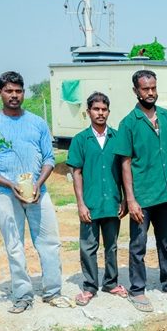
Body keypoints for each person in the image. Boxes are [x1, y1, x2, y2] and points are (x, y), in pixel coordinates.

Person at [0, 71, 70, 313]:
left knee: (49, 242)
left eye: (18, 91)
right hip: (6, 195)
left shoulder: (37, 122)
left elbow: (49, 158)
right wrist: (9, 184)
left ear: (23, 93)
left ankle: (52, 292)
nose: (14, 95)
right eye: (9, 91)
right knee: (14, 244)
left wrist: (37, 183)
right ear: (0, 93)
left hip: (39, 192)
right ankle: (23, 295)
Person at [113, 69, 167, 313]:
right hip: (142, 196)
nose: (151, 92)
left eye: (153, 88)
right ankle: (137, 289)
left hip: (165, 192)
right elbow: (124, 163)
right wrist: (130, 199)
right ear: (135, 91)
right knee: (138, 243)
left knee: (165, 241)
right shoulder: (128, 123)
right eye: (145, 89)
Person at [66, 92, 128, 306]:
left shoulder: (117, 137)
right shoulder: (81, 140)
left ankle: (111, 283)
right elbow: (77, 173)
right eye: (96, 109)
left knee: (111, 245)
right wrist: (81, 204)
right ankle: (90, 286)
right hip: (90, 204)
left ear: (108, 112)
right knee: (88, 246)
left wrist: (125, 200)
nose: (100, 113)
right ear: (88, 112)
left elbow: (124, 170)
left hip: (112, 203)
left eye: (104, 109)